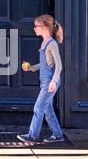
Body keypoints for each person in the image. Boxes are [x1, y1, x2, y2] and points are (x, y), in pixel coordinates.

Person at [18, 15, 65, 144]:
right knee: (47, 110)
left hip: (50, 81)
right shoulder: (44, 43)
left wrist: (54, 81)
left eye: (36, 26)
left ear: (45, 27)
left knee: (38, 107)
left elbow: (59, 65)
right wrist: (31, 68)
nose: (34, 29)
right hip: (45, 81)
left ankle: (32, 135)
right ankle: (58, 134)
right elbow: (45, 64)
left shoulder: (52, 44)